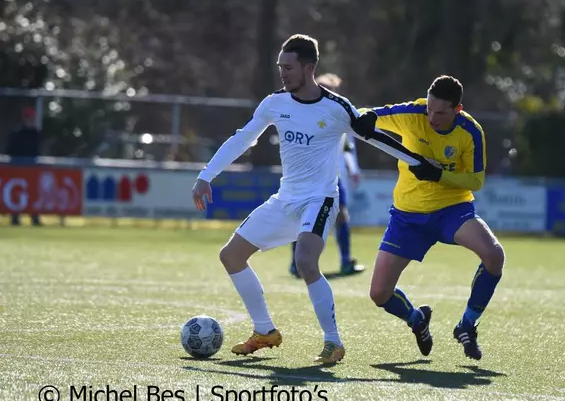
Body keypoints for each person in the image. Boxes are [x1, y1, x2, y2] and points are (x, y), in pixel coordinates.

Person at [191, 34, 424, 364]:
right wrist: (206, 175)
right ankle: (265, 331)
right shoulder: (275, 103)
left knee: (305, 261)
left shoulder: (337, 107)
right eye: (279, 67)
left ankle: (333, 342)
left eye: (288, 67)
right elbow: (242, 139)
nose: (282, 74)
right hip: (285, 199)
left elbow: (374, 137)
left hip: (320, 199)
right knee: (231, 256)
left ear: (309, 68)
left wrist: (420, 163)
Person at [363, 75, 504, 361]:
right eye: (429, 108)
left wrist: (440, 174)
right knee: (379, 294)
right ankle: (416, 319)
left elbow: (475, 181)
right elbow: (371, 116)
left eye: (440, 112)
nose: (432, 117)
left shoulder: (470, 132)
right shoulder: (412, 114)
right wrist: (365, 119)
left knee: (494, 255)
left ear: (458, 110)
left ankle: (466, 325)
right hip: (407, 216)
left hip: (451, 210)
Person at [289, 73, 365, 277]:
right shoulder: (302, 112)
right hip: (307, 174)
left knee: (341, 215)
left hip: (332, 175)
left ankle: (345, 261)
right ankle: (297, 263)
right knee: (304, 217)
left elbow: (348, 147)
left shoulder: (341, 112)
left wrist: (354, 170)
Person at [6, 107, 42, 226]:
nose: (31, 120)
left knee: (32, 192)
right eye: (29, 118)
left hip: (31, 165)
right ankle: (15, 217)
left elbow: (37, 150)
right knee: (17, 191)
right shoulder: (17, 132)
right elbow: (10, 149)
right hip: (17, 164)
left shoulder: (35, 133)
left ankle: (34, 218)